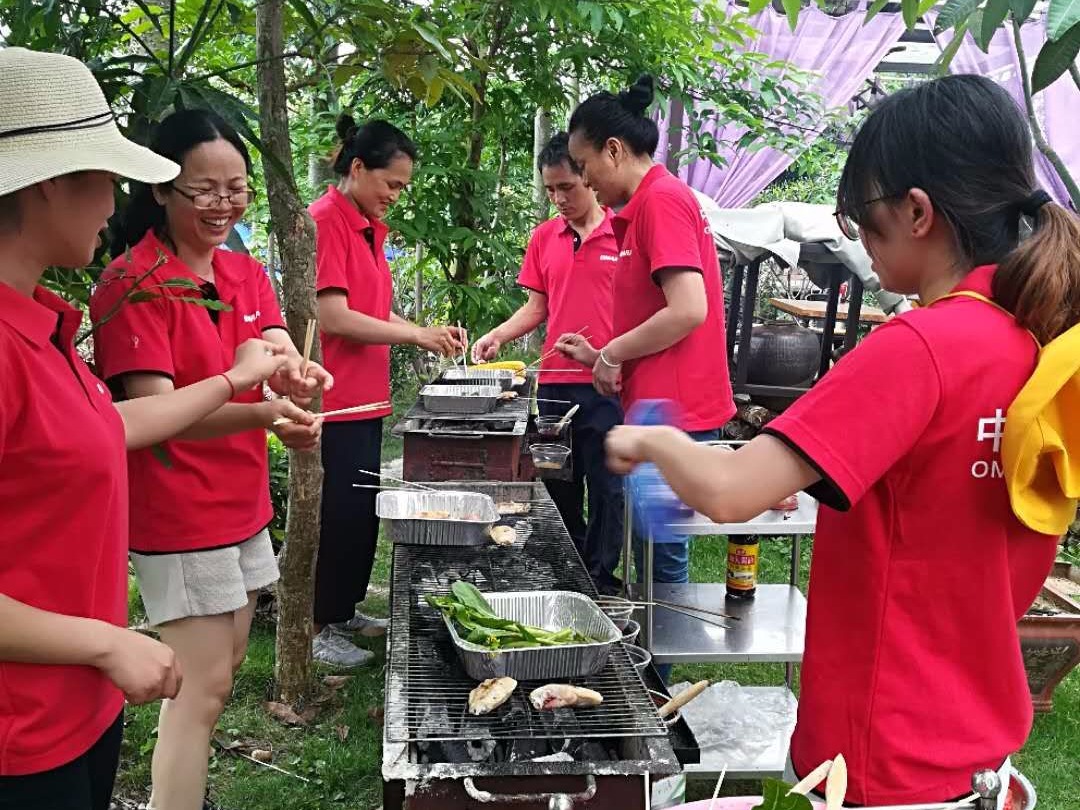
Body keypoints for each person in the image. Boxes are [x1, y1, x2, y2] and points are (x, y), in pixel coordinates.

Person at [604, 75, 1080, 807]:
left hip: (882, 748)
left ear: (916, 212)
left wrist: (652, 439)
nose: (859, 239)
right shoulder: (1042, 346)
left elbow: (729, 493)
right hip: (974, 748)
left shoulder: (919, 346)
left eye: (860, 216)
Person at [0, 48, 290, 810]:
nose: (114, 203)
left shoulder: (44, 327)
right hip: (20, 733)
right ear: (50, 183)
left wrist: (246, 388)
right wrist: (104, 641)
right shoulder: (65, 316)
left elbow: (113, 425)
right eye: (107, 177)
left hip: (78, 708)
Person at [88, 108, 328, 810]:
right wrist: (261, 412)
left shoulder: (242, 271)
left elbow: (274, 347)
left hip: (241, 502)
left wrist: (296, 380)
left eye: (237, 188)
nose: (224, 204)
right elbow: (155, 417)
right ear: (162, 189)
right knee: (203, 688)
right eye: (205, 190)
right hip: (179, 510)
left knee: (220, 672)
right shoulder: (133, 284)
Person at [556, 76, 734, 604]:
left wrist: (613, 352)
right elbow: (659, 314)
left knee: (661, 549)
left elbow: (689, 309)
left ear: (613, 150)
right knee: (650, 544)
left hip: (677, 410)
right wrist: (600, 355)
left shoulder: (662, 201)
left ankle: (664, 655)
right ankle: (655, 646)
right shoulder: (643, 208)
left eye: (584, 165)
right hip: (657, 404)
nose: (584, 180)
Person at [311, 114, 466, 667]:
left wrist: (423, 331)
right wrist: (414, 334)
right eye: (391, 183)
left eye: (402, 187)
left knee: (359, 512)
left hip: (366, 397)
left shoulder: (366, 227)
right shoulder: (326, 221)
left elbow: (372, 310)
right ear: (357, 168)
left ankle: (343, 608)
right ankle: (317, 625)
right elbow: (332, 316)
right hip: (334, 399)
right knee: (336, 515)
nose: (395, 195)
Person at [472, 133, 625, 593]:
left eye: (567, 187)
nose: (559, 199)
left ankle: (600, 578)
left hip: (607, 382)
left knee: (607, 485)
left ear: (590, 178)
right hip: (556, 383)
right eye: (551, 190)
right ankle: (568, 569)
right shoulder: (544, 237)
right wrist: (498, 335)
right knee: (559, 483)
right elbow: (537, 307)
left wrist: (615, 357)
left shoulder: (623, 232)